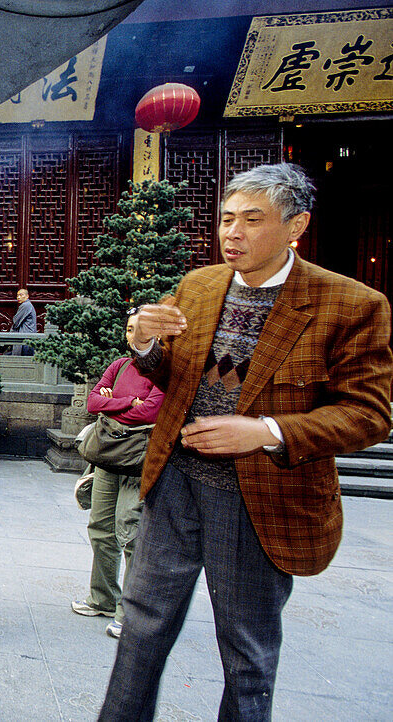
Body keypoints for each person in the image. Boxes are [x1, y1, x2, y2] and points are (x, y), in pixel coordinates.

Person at [99, 163, 393, 721]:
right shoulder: (200, 286)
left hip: (261, 495)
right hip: (177, 483)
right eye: (227, 219)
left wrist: (263, 432)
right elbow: (176, 378)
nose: (232, 233)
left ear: (295, 225)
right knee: (140, 627)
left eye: (252, 220)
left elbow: (370, 415)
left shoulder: (351, 304)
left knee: (246, 649)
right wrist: (142, 345)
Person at [71, 317, 164, 639]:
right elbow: (94, 401)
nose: (134, 335)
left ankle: (131, 612)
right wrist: (125, 402)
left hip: (139, 459)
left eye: (143, 329)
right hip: (109, 456)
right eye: (129, 328)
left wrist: (111, 406)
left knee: (130, 531)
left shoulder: (163, 372)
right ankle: (102, 598)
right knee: (100, 527)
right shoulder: (120, 365)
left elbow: (151, 411)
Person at [11, 288, 36, 356]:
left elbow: (16, 321)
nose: (18, 297)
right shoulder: (28, 305)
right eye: (17, 295)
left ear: (27, 296)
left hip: (26, 336)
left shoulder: (26, 305)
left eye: (21, 295)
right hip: (29, 336)